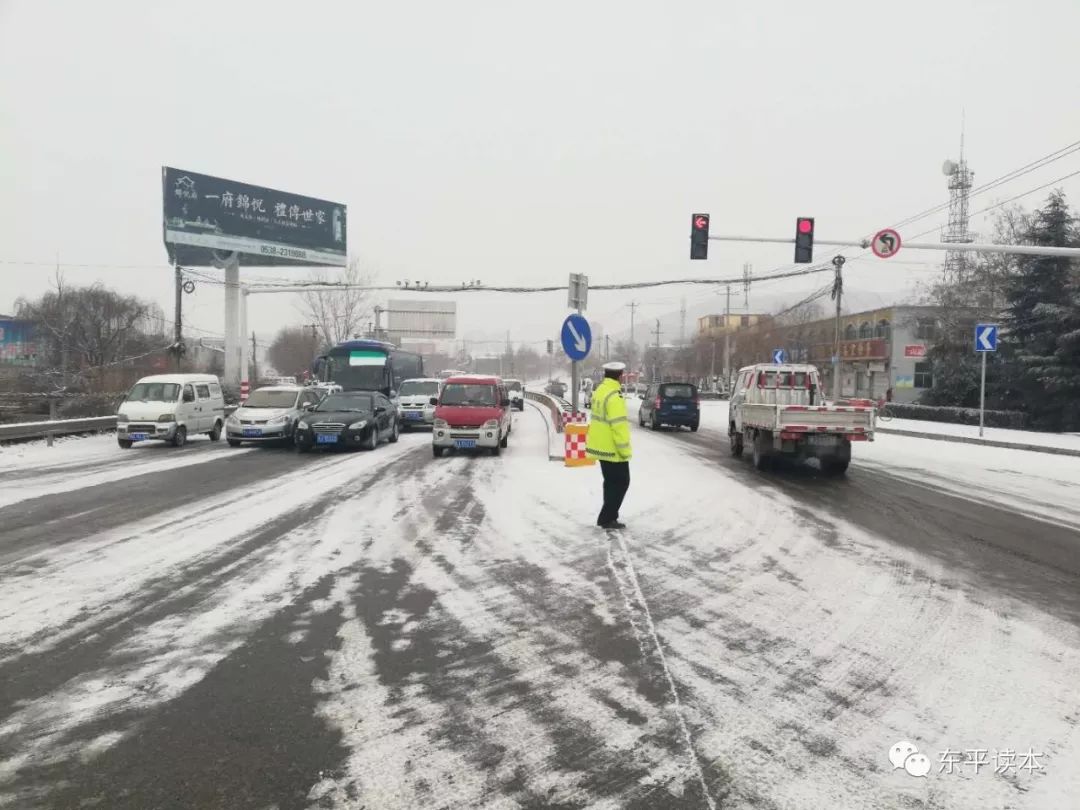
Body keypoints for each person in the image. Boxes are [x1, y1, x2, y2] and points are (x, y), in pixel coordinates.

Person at [585, 361, 633, 529]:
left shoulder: (600, 391)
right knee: (622, 482)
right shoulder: (615, 396)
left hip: (601, 447)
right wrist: (625, 450)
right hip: (613, 450)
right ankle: (607, 518)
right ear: (620, 376)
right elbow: (618, 426)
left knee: (610, 482)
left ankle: (608, 517)